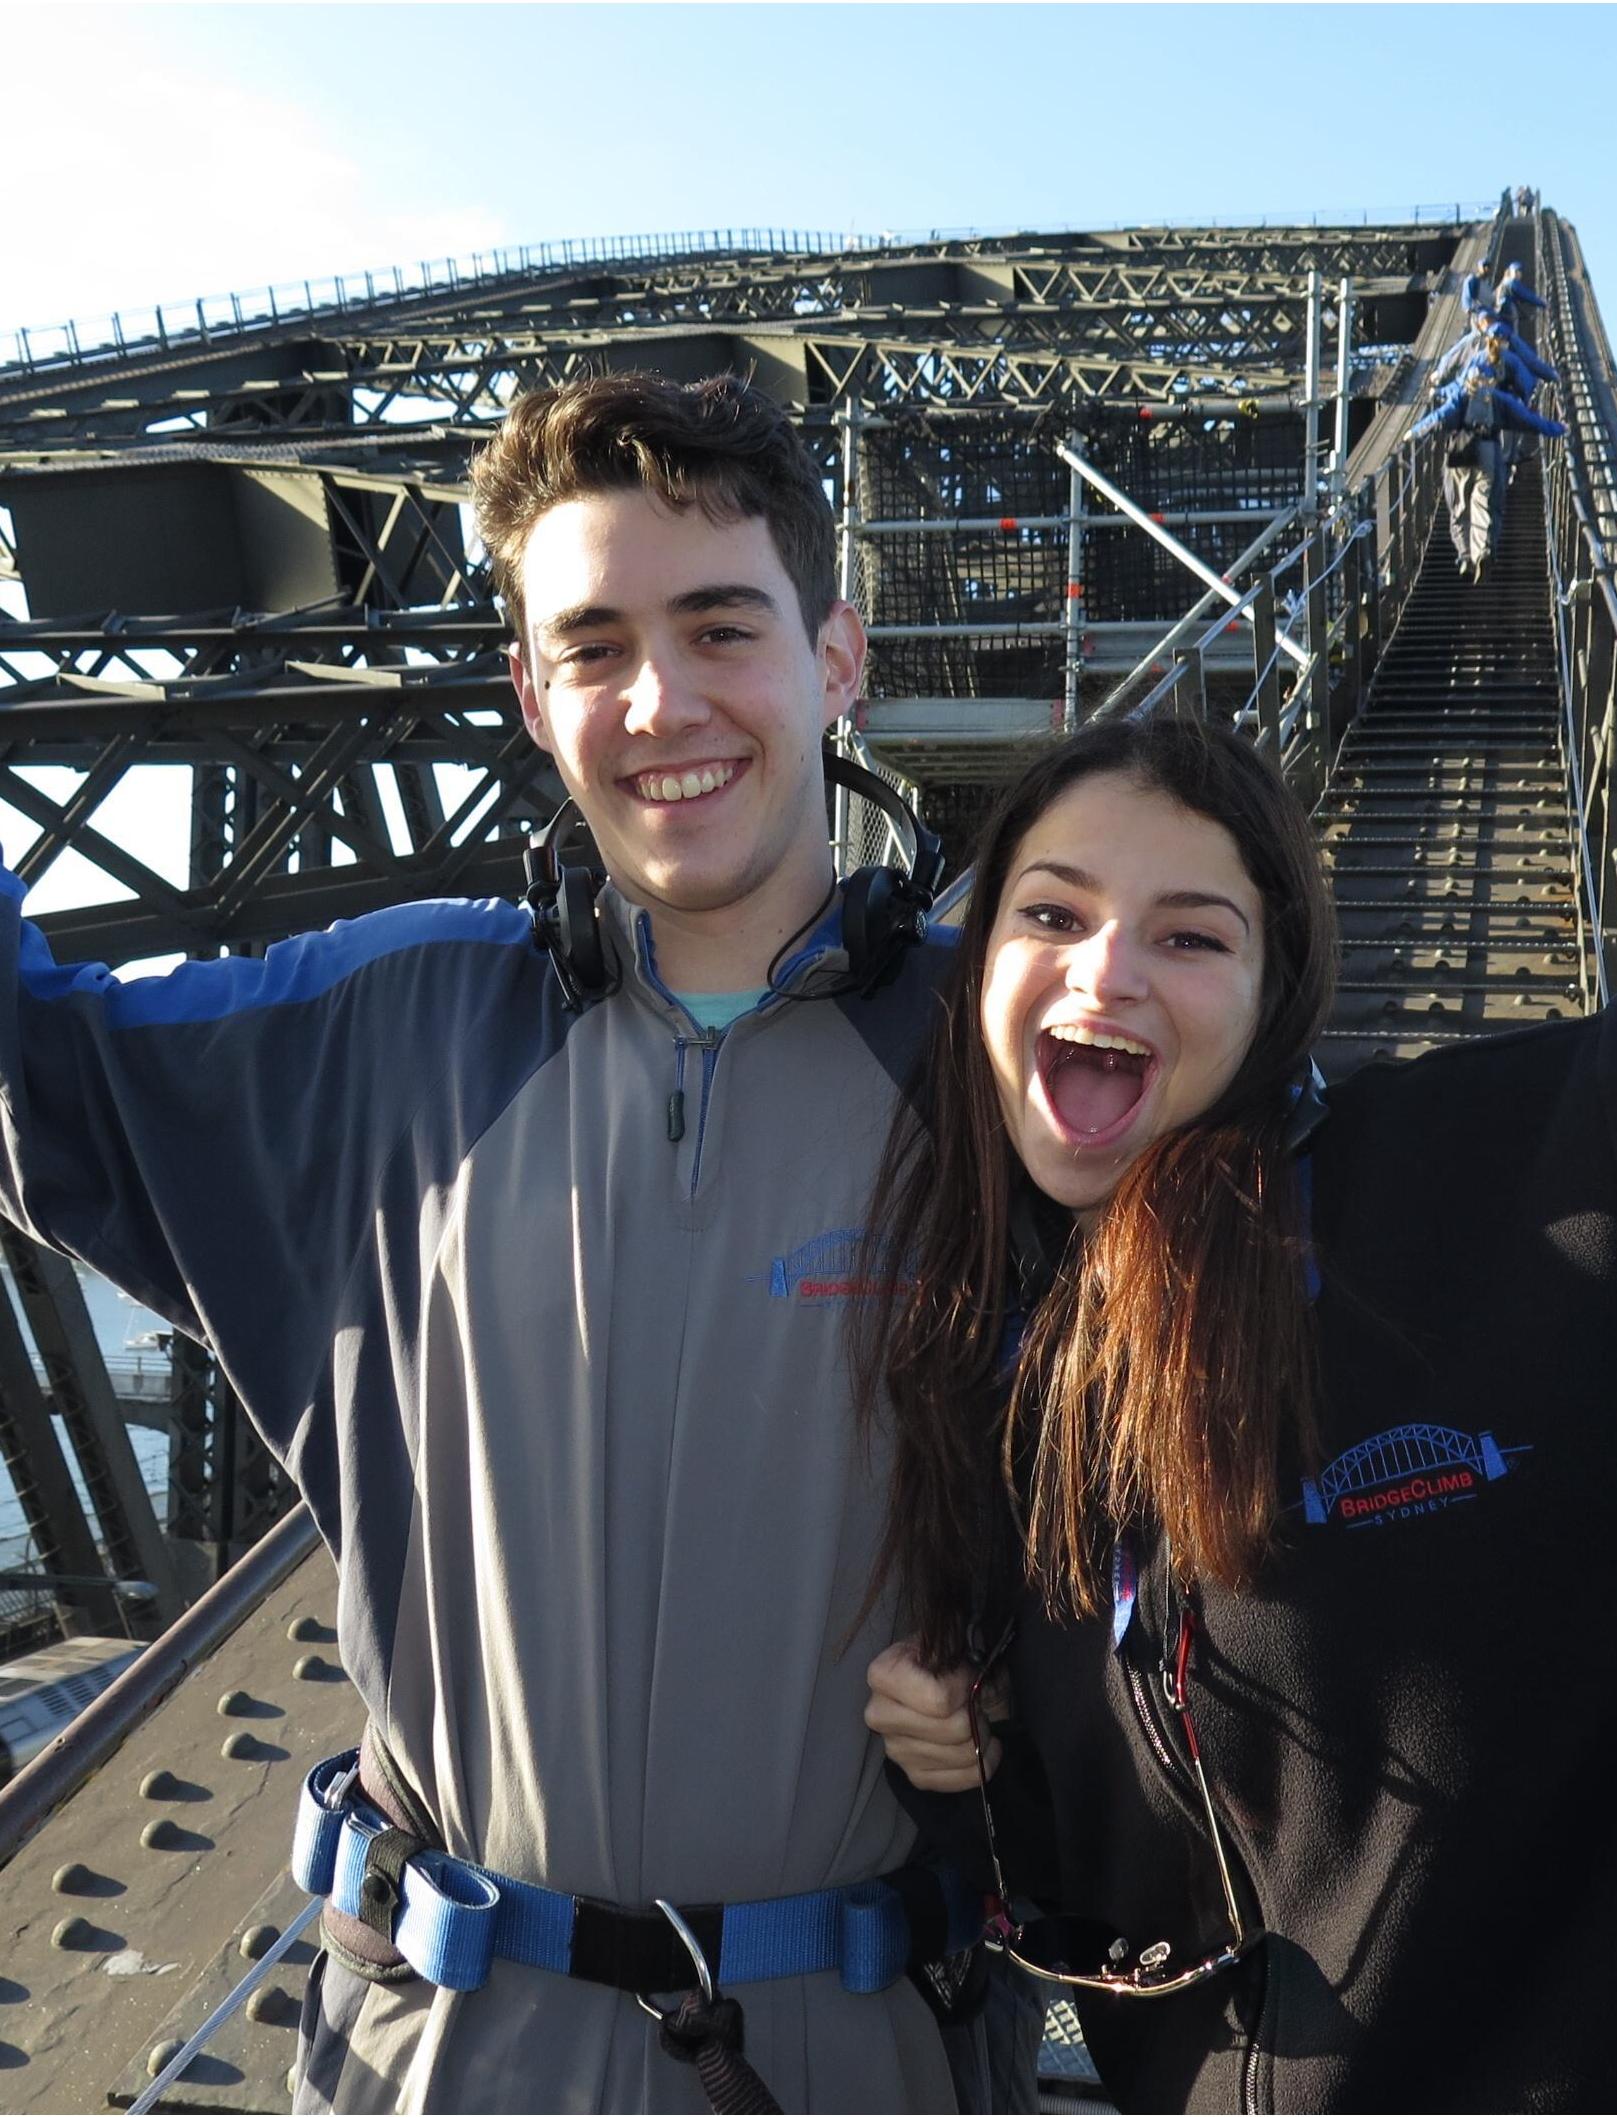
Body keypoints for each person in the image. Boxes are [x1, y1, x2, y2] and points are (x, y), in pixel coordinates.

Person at [858, 579, 1617, 2112]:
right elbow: (1125, 1866)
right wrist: (972, 1755)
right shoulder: (1002, 1372)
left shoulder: (1547, 1181)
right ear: (976, 966)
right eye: (1049, 913)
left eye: (1190, 935)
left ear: (1274, 1000)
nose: (1105, 971)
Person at [0, 371, 970, 2112]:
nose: (661, 700)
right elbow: (33, 1070)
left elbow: (1231, 1441)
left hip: (853, 2050)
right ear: (531, 695)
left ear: (835, 660)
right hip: (448, 2050)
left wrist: (1048, 1686)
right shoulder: (395, 1024)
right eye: (591, 645)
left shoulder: (1005, 1064)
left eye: (718, 626)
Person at [1409, 361, 1566, 580]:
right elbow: (1528, 420)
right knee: (1482, 501)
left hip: (1460, 452)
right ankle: (1482, 550)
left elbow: (1440, 417)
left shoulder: (1461, 395)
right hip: (1488, 450)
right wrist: (1557, 429)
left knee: (1459, 507)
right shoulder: (1499, 399)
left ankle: (1465, 557)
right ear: (1492, 379)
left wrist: (1414, 432)